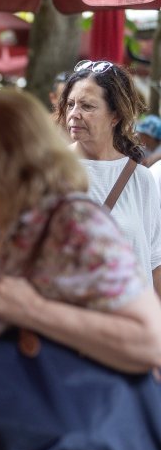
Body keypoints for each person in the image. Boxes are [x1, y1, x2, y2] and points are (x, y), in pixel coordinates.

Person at [0, 88, 161, 450]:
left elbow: (148, 340)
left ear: (1, 162)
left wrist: (33, 311)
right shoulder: (12, 232)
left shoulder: (72, 223)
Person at [56, 60, 161, 294]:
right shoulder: (50, 171)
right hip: (71, 322)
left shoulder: (140, 178)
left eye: (87, 106)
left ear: (115, 116)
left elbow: (155, 262)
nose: (74, 114)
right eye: (71, 104)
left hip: (131, 324)